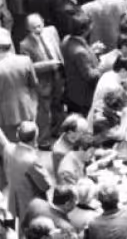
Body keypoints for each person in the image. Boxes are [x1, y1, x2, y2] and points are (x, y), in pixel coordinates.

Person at [18, 14, 64, 145]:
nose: (38, 29)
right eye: (34, 28)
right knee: (44, 111)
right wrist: (49, 64)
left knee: (58, 105)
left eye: (39, 25)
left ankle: (58, 131)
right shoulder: (25, 45)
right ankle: (43, 140)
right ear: (28, 29)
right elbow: (29, 66)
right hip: (43, 82)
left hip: (58, 77)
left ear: (43, 22)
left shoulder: (51, 32)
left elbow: (59, 49)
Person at [0, 121, 51, 224]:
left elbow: (3, 141)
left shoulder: (9, 149)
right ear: (35, 138)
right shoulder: (32, 161)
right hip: (30, 203)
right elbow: (45, 185)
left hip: (13, 200)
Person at [0, 27, 38, 140]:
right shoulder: (25, 60)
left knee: (11, 147)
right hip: (27, 108)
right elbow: (34, 83)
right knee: (29, 141)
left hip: (5, 115)